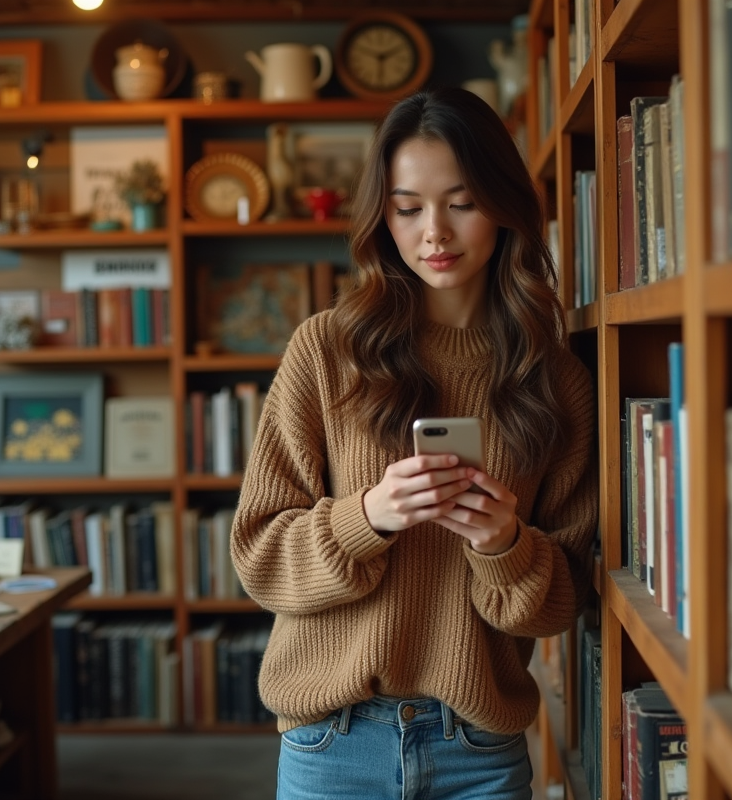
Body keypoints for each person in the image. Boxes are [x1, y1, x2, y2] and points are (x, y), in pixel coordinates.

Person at [230, 85, 598, 799]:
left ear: (502, 204)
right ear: (382, 217)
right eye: (408, 207)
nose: (435, 232)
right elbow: (259, 556)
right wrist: (366, 517)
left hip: (479, 753)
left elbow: (565, 602)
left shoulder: (553, 378)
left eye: (461, 202)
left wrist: (503, 545)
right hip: (333, 741)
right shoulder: (325, 350)